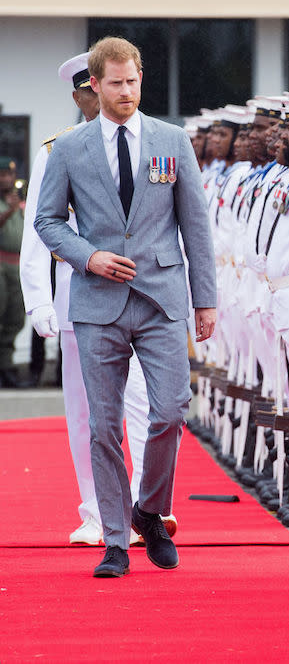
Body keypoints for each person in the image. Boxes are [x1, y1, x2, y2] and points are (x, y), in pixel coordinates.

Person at [35, 37, 217, 578]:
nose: (126, 92)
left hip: (161, 297)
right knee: (104, 426)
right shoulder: (69, 148)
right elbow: (47, 222)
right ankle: (116, 539)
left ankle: (150, 510)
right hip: (97, 302)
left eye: (133, 81)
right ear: (95, 84)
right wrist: (89, 257)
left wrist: (205, 301)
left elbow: (195, 225)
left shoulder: (172, 140)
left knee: (169, 411)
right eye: (115, 83)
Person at [20, 51, 178, 547]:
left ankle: (138, 506)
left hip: (146, 296)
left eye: (121, 83)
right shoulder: (58, 150)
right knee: (88, 412)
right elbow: (38, 234)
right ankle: (95, 510)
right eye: (94, 90)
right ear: (80, 95)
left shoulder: (156, 142)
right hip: (80, 294)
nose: (110, 96)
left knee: (149, 405)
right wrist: (39, 302)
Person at [0, 158, 28, 388]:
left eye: (9, 175)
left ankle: (7, 366)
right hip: (0, 263)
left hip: (17, 266)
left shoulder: (20, 201)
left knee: (15, 318)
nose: (6, 179)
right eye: (2, 175)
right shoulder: (9, 204)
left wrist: (17, 206)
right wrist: (10, 209)